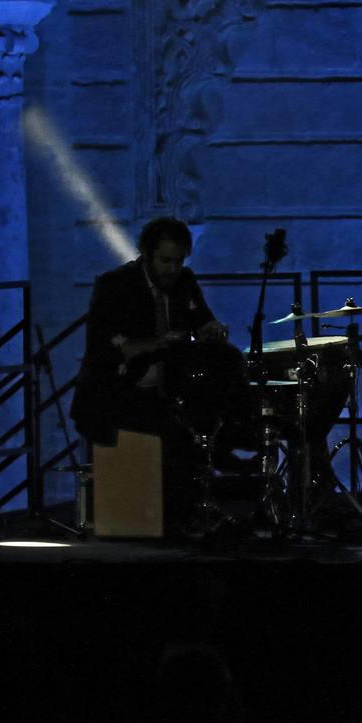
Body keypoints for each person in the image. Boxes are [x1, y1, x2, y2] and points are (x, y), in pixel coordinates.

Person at [71, 217, 253, 529]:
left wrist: (210, 328)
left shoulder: (184, 282)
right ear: (146, 253)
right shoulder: (116, 286)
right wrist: (159, 343)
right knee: (176, 433)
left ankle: (227, 447)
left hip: (163, 391)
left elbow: (202, 317)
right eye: (166, 261)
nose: (172, 269)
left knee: (225, 366)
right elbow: (108, 348)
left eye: (179, 261)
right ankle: (177, 515)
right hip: (116, 393)